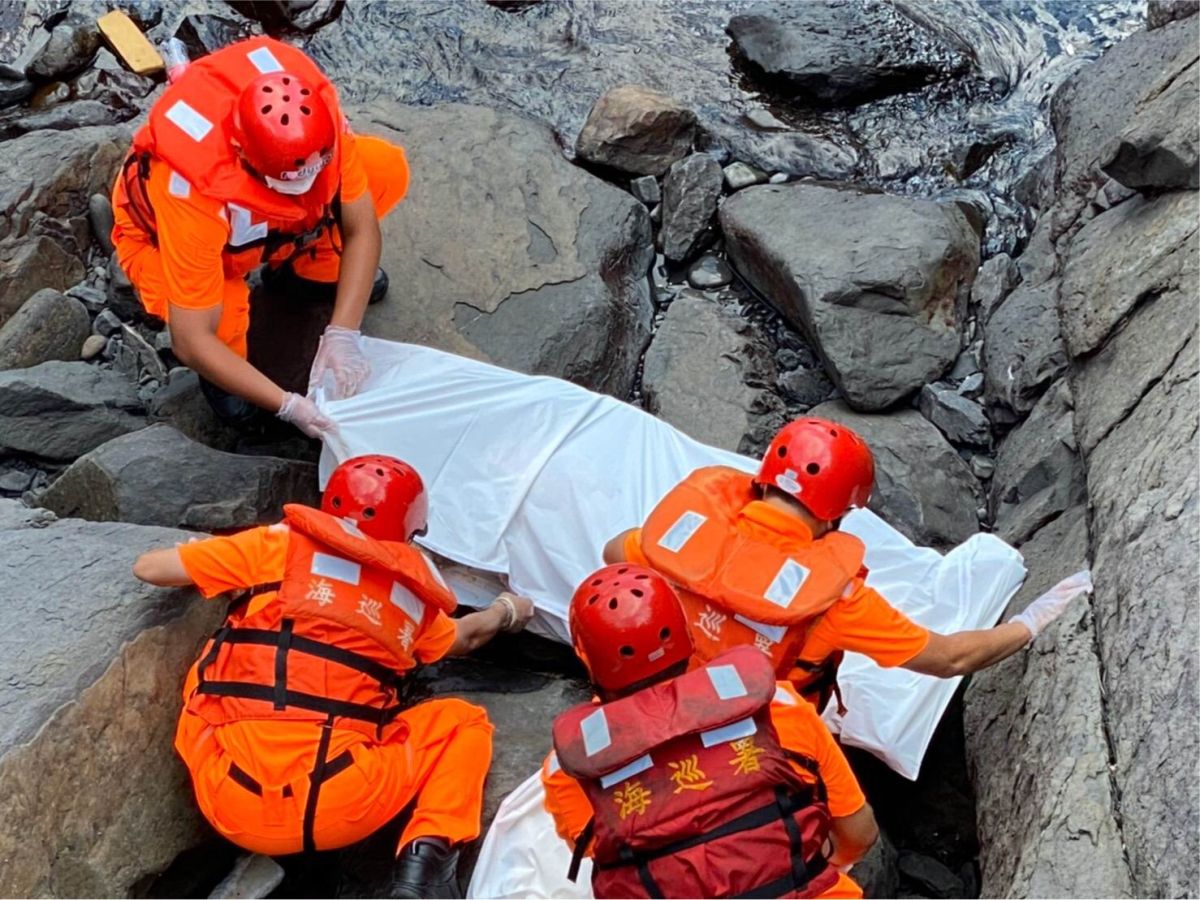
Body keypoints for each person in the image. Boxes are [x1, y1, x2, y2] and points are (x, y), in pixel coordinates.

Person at [133, 455, 534, 898]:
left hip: (228, 799)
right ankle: (426, 871)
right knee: (463, 723)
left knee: (211, 672)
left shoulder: (274, 546)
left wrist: (208, 562)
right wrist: (507, 610)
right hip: (343, 804)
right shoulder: (411, 598)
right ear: (410, 531)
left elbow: (149, 568)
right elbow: (465, 637)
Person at [603, 417, 1085, 711]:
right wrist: (1030, 622)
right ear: (837, 513)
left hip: (654, 707)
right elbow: (948, 659)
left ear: (765, 479)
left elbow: (613, 554)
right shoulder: (836, 601)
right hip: (756, 730)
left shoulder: (674, 541)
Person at [111, 35, 409, 436]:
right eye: (291, 185)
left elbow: (361, 229)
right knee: (223, 320)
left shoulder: (318, 127)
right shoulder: (189, 192)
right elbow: (191, 339)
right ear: (242, 154)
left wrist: (343, 333)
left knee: (383, 170)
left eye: (314, 176)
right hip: (169, 243)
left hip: (254, 230)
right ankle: (227, 383)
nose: (306, 191)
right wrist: (287, 405)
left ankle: (305, 271)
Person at [543, 564, 879, 899]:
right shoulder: (779, 705)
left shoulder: (571, 766)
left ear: (586, 659)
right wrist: (814, 863)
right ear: (687, 634)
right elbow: (859, 834)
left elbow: (606, 856)